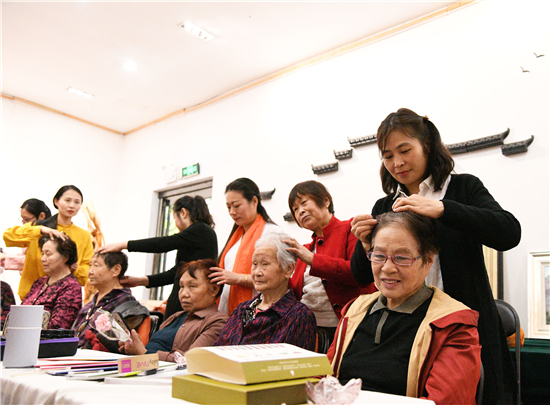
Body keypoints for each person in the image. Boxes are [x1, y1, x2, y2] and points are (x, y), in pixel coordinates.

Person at [350, 108, 520, 405]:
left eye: (405, 150)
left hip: (463, 325)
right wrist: (365, 244)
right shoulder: (385, 205)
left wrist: (443, 209)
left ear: (427, 146)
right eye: (388, 156)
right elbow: (361, 275)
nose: (397, 163)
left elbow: (509, 232)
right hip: (404, 330)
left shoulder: (462, 188)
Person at [329, 211, 481, 404]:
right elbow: (325, 376)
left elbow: (446, 400)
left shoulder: (451, 324)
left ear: (428, 261)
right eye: (379, 256)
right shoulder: (355, 310)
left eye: (401, 258)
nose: (387, 268)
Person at [97, 195, 217, 320]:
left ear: (183, 213)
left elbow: (163, 243)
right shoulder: (196, 236)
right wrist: (141, 281)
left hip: (191, 301)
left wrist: (124, 245)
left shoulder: (200, 230)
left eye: (174, 218)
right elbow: (175, 273)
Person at [286, 180, 376, 341]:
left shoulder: (350, 229)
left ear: (326, 201)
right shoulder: (305, 249)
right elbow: (294, 292)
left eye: (304, 203)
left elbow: (359, 274)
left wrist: (312, 260)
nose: (300, 211)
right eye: (295, 209)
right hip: (310, 330)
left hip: (351, 327)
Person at [214, 233, 316, 350]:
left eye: (265, 264)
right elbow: (217, 350)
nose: (257, 272)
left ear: (288, 269)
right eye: (254, 264)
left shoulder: (299, 316)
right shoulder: (242, 309)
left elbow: (297, 360)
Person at [120, 259, 228, 362]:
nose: (184, 294)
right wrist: (134, 348)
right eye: (181, 286)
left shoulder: (218, 322)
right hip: (143, 366)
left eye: (192, 286)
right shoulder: (176, 316)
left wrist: (144, 353)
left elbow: (190, 360)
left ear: (214, 290)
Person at [3, 186, 94, 299]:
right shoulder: (38, 227)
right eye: (67, 200)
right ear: (56, 201)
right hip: (31, 295)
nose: (72, 205)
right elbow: (8, 236)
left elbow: (87, 270)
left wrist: (76, 268)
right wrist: (40, 230)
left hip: (63, 296)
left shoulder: (84, 235)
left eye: (77, 202)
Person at [209, 178, 280, 315]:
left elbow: (279, 278)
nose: (232, 212)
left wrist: (238, 278)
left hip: (259, 312)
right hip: (228, 312)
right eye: (228, 207)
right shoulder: (235, 237)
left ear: (254, 201)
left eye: (236, 206)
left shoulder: (272, 233)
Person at [73, 251, 136, 347]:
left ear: (116, 270)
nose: (90, 272)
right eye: (90, 265)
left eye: (96, 265)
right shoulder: (92, 302)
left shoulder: (125, 303)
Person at [21, 235, 82, 329]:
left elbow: (58, 325)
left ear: (65, 257)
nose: (43, 259)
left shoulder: (71, 287)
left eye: (48, 254)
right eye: (42, 254)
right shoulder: (40, 282)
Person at [1, 198, 51, 271]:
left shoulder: (48, 236)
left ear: (41, 216)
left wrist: (6, 258)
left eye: (27, 220)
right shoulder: (30, 232)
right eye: (23, 220)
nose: (24, 224)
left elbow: (37, 262)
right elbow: (7, 235)